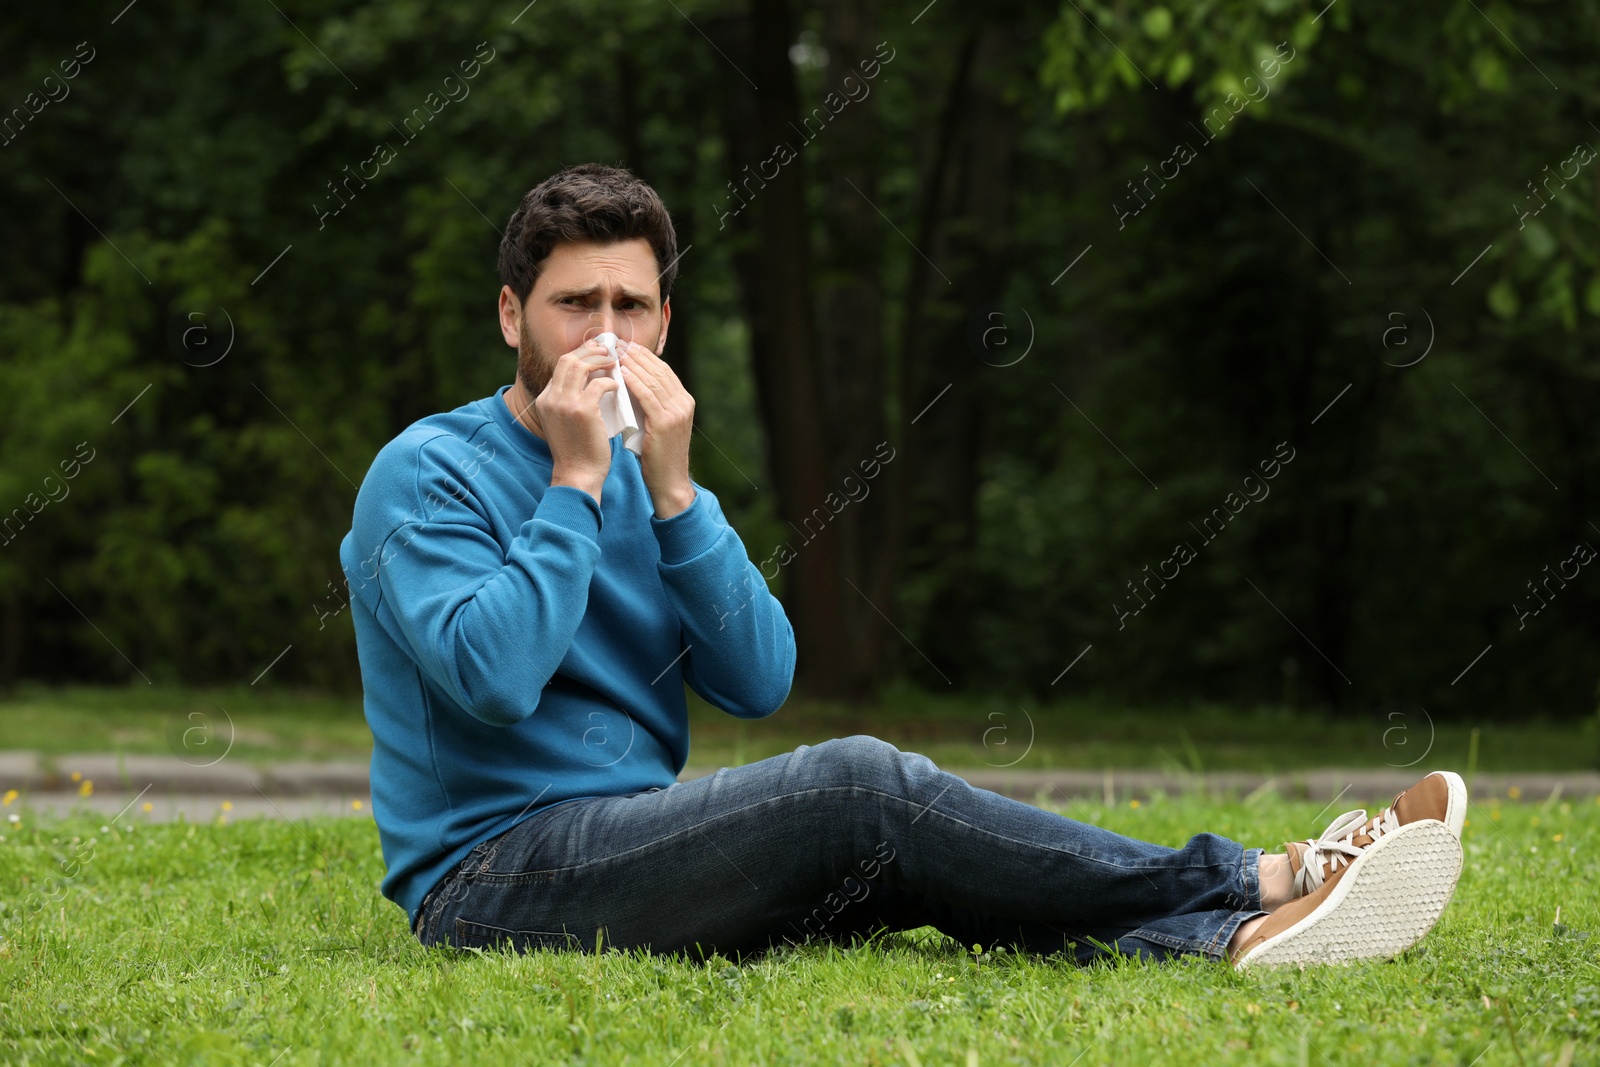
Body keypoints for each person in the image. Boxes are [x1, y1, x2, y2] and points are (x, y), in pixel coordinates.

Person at [339, 163, 1466, 969]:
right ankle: (1261, 876)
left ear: (666, 322)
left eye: (630, 305)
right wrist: (575, 485)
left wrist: (676, 495)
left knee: (899, 861)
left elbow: (757, 677)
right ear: (509, 317)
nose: (604, 337)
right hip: (491, 881)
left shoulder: (653, 478)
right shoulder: (426, 470)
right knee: (859, 785)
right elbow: (490, 676)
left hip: (637, 845)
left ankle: (1228, 938)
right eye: (573, 304)